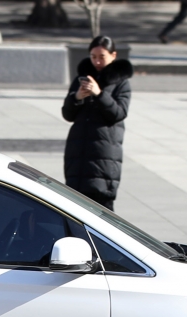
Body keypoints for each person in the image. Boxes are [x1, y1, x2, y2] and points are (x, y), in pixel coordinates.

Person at [62, 34, 133, 211]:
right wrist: (77, 97)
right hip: (78, 153)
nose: (97, 61)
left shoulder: (121, 83)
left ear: (113, 56)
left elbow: (118, 113)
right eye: (93, 57)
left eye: (102, 56)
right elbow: (68, 114)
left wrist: (99, 94)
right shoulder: (82, 78)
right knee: (75, 209)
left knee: (102, 211)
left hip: (104, 155)